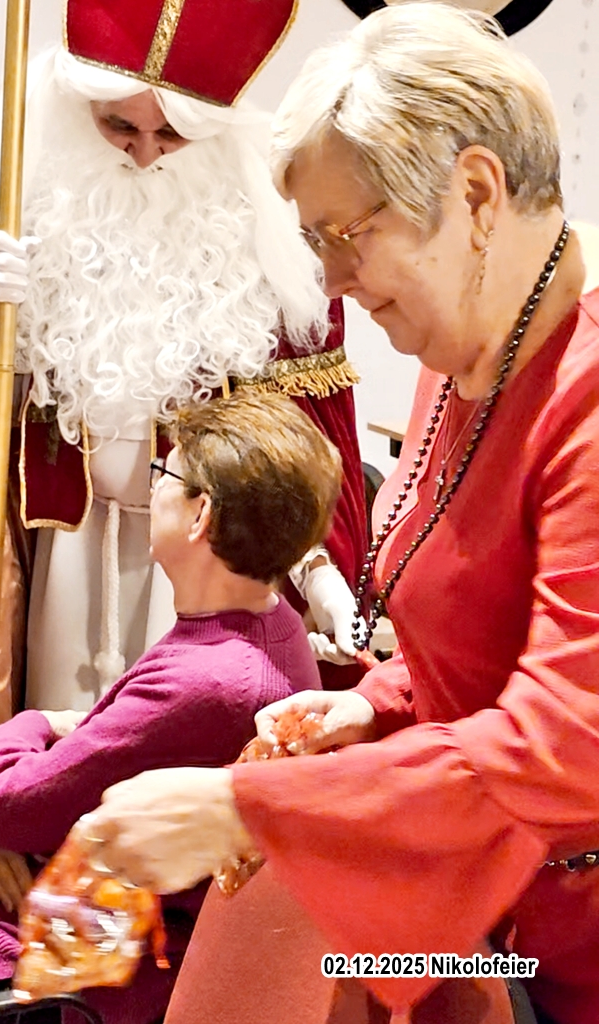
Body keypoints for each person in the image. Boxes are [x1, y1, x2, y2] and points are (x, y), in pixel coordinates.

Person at [84, 6, 599, 1023]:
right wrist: (382, 701)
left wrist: (241, 807)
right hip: (482, 909)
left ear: (476, 194)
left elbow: (568, 737)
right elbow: (480, 627)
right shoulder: (462, 355)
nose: (327, 278)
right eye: (312, 240)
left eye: (344, 234)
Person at [0, 0, 368, 761]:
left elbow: (304, 446)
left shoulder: (272, 248)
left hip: (210, 570)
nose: (143, 154)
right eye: (119, 126)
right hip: (68, 553)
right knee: (62, 757)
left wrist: (324, 578)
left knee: (177, 765)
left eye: (171, 133)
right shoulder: (37, 211)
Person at [0, 392, 342, 1024]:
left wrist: (33, 724)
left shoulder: (210, 681)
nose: (153, 487)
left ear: (200, 514)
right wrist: (9, 817)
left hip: (36, 940)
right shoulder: (268, 625)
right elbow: (36, 796)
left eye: (164, 474)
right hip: (23, 883)